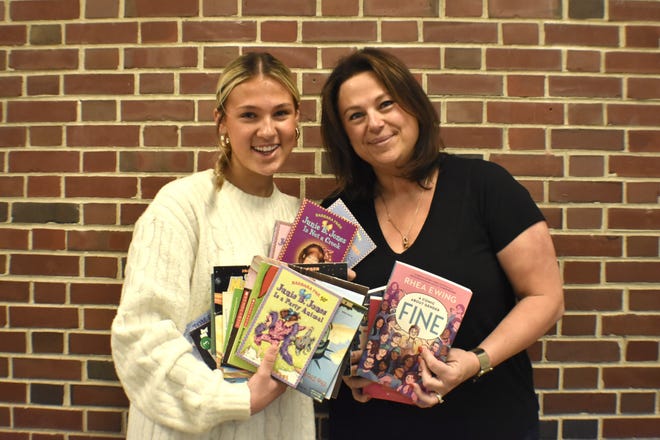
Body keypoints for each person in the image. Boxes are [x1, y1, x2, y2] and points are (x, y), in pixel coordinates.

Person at [320, 48, 564, 439]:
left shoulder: (484, 186)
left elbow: (545, 298)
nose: (375, 123)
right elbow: (318, 327)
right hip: (372, 426)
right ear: (344, 134)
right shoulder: (335, 218)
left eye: (386, 104)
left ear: (413, 106)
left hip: (487, 420)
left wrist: (475, 361)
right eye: (356, 116)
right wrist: (342, 371)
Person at [111, 52, 315, 439]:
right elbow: (140, 336)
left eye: (281, 113)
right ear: (221, 121)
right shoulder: (181, 206)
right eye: (249, 115)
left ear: (297, 119)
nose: (268, 131)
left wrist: (336, 305)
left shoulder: (303, 224)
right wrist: (234, 399)